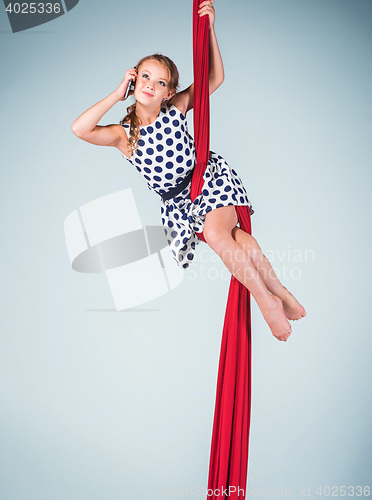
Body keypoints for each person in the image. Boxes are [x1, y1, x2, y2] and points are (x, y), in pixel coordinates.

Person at [71, 0, 306, 341]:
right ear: (135, 80)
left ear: (169, 92)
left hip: (207, 180)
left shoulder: (176, 108)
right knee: (237, 240)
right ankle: (278, 290)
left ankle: (267, 303)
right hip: (180, 205)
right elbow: (80, 129)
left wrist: (209, 30)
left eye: (162, 83)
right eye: (146, 76)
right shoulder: (124, 136)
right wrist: (116, 92)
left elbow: (215, 78)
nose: (152, 85)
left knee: (217, 235)